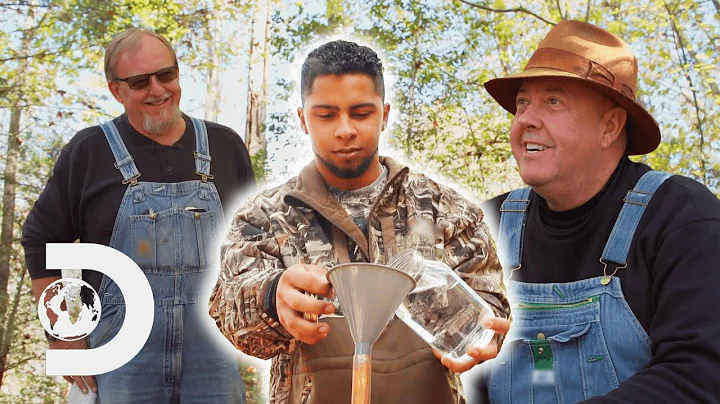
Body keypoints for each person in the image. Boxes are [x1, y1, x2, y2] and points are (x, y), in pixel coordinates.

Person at [208, 39, 512, 404]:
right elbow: (230, 312)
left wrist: (485, 335)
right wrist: (273, 295)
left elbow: (489, 301)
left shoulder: (446, 209)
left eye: (361, 112)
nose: (345, 130)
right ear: (303, 120)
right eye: (326, 114)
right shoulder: (265, 216)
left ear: (384, 115)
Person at [470, 20, 720, 403]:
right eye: (522, 102)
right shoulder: (489, 224)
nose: (526, 120)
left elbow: (699, 376)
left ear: (610, 126)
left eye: (554, 102)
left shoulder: (680, 217)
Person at [22, 28, 254, 403]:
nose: (158, 90)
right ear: (117, 90)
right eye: (140, 81)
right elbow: (40, 240)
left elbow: (249, 246)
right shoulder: (89, 151)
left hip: (213, 357)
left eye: (167, 75)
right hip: (121, 355)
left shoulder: (226, 147)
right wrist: (63, 333)